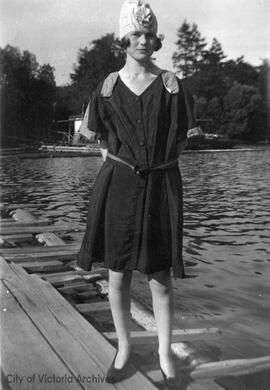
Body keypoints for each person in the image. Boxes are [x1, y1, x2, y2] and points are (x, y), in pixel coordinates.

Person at [77, 0, 204, 387]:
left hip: (162, 186)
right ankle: (125, 350)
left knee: (160, 277)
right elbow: (100, 139)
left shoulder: (172, 85)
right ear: (124, 39)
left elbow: (181, 140)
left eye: (149, 35)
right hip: (118, 187)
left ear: (156, 39)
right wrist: (123, 165)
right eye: (135, 34)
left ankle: (165, 354)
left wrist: (157, 165)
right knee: (118, 275)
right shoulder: (108, 87)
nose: (143, 41)